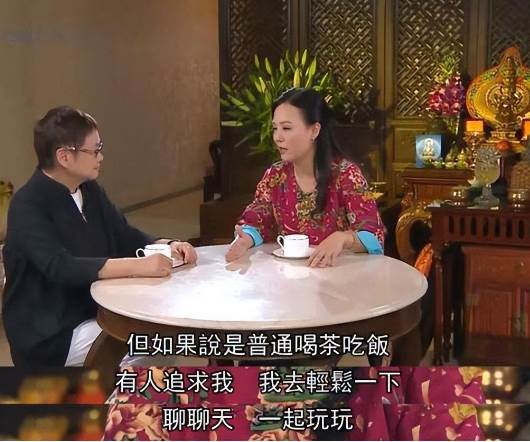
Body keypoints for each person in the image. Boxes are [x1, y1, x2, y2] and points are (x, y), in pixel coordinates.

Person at [2, 106, 197, 367]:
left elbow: (124, 234)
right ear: (64, 156)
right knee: (155, 339)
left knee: (163, 329)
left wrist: (167, 244)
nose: (101, 157)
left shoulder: (89, 190)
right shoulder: (28, 204)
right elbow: (59, 266)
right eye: (94, 151)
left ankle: (136, 392)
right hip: (52, 332)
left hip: (93, 309)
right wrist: (138, 266)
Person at [225, 88, 384, 267]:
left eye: (286, 128)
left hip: (339, 275)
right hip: (290, 276)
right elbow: (258, 219)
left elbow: (374, 236)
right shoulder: (275, 175)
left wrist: (343, 238)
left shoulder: (346, 175)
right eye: (275, 128)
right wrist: (246, 238)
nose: (278, 137)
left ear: (314, 130)